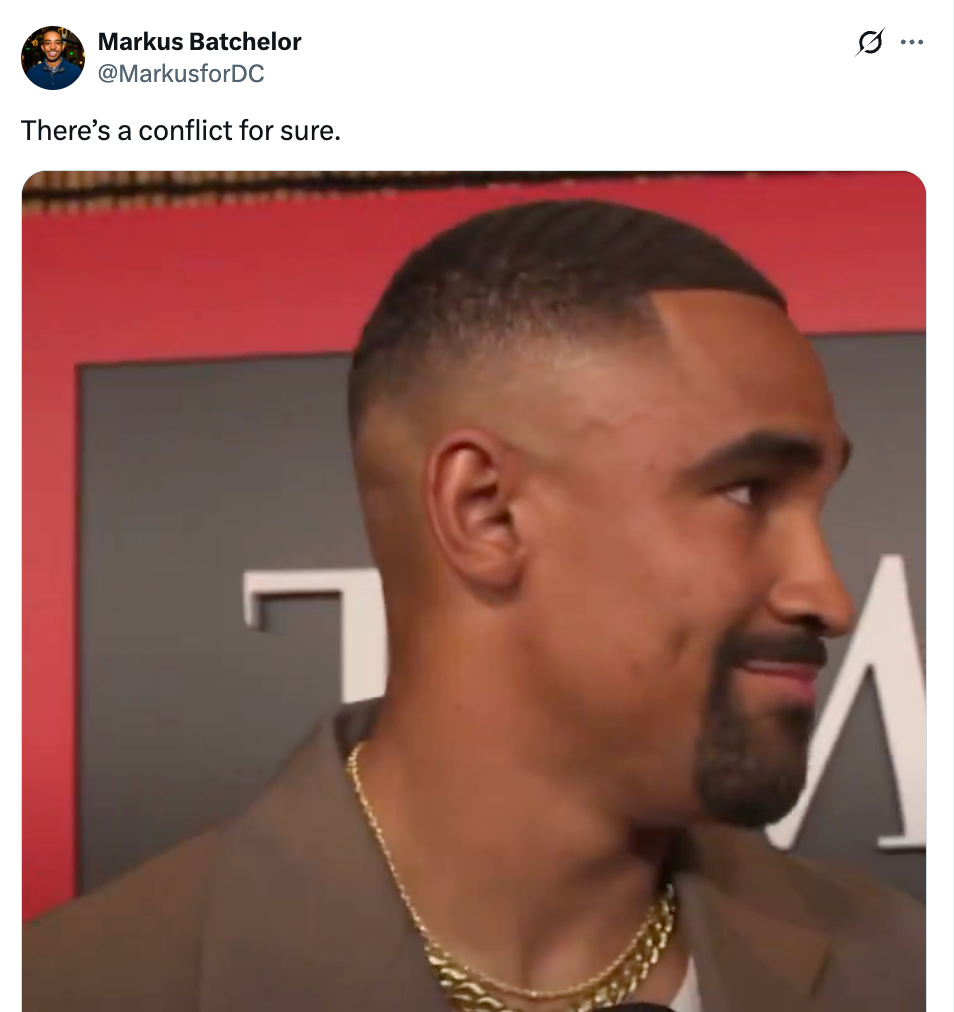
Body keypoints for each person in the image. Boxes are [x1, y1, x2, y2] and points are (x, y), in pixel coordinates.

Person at [23, 200, 924, 1012]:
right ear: (484, 513)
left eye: (819, 505)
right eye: (745, 492)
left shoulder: (908, 971)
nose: (828, 596)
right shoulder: (81, 986)